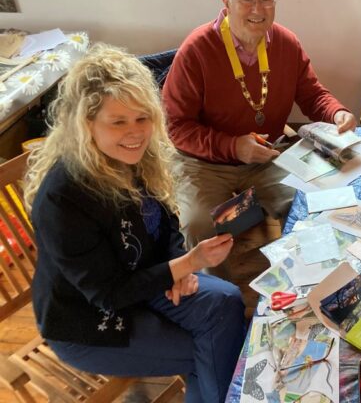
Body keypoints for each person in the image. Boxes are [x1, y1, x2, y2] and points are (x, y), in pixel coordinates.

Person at [25, 45, 246, 402]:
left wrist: (179, 266)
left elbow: (166, 219)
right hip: (88, 319)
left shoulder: (136, 157)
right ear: (86, 125)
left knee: (228, 304)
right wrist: (188, 264)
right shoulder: (63, 196)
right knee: (208, 345)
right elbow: (108, 294)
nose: (136, 132)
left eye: (143, 118)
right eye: (118, 121)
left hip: (146, 280)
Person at [163, 0, 356, 262]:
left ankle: (303, 284)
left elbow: (312, 94)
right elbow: (175, 127)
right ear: (226, 2)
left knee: (314, 203)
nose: (258, 8)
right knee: (200, 225)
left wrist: (336, 113)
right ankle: (223, 299)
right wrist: (233, 147)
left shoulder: (285, 42)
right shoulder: (197, 49)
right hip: (205, 163)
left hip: (268, 156)